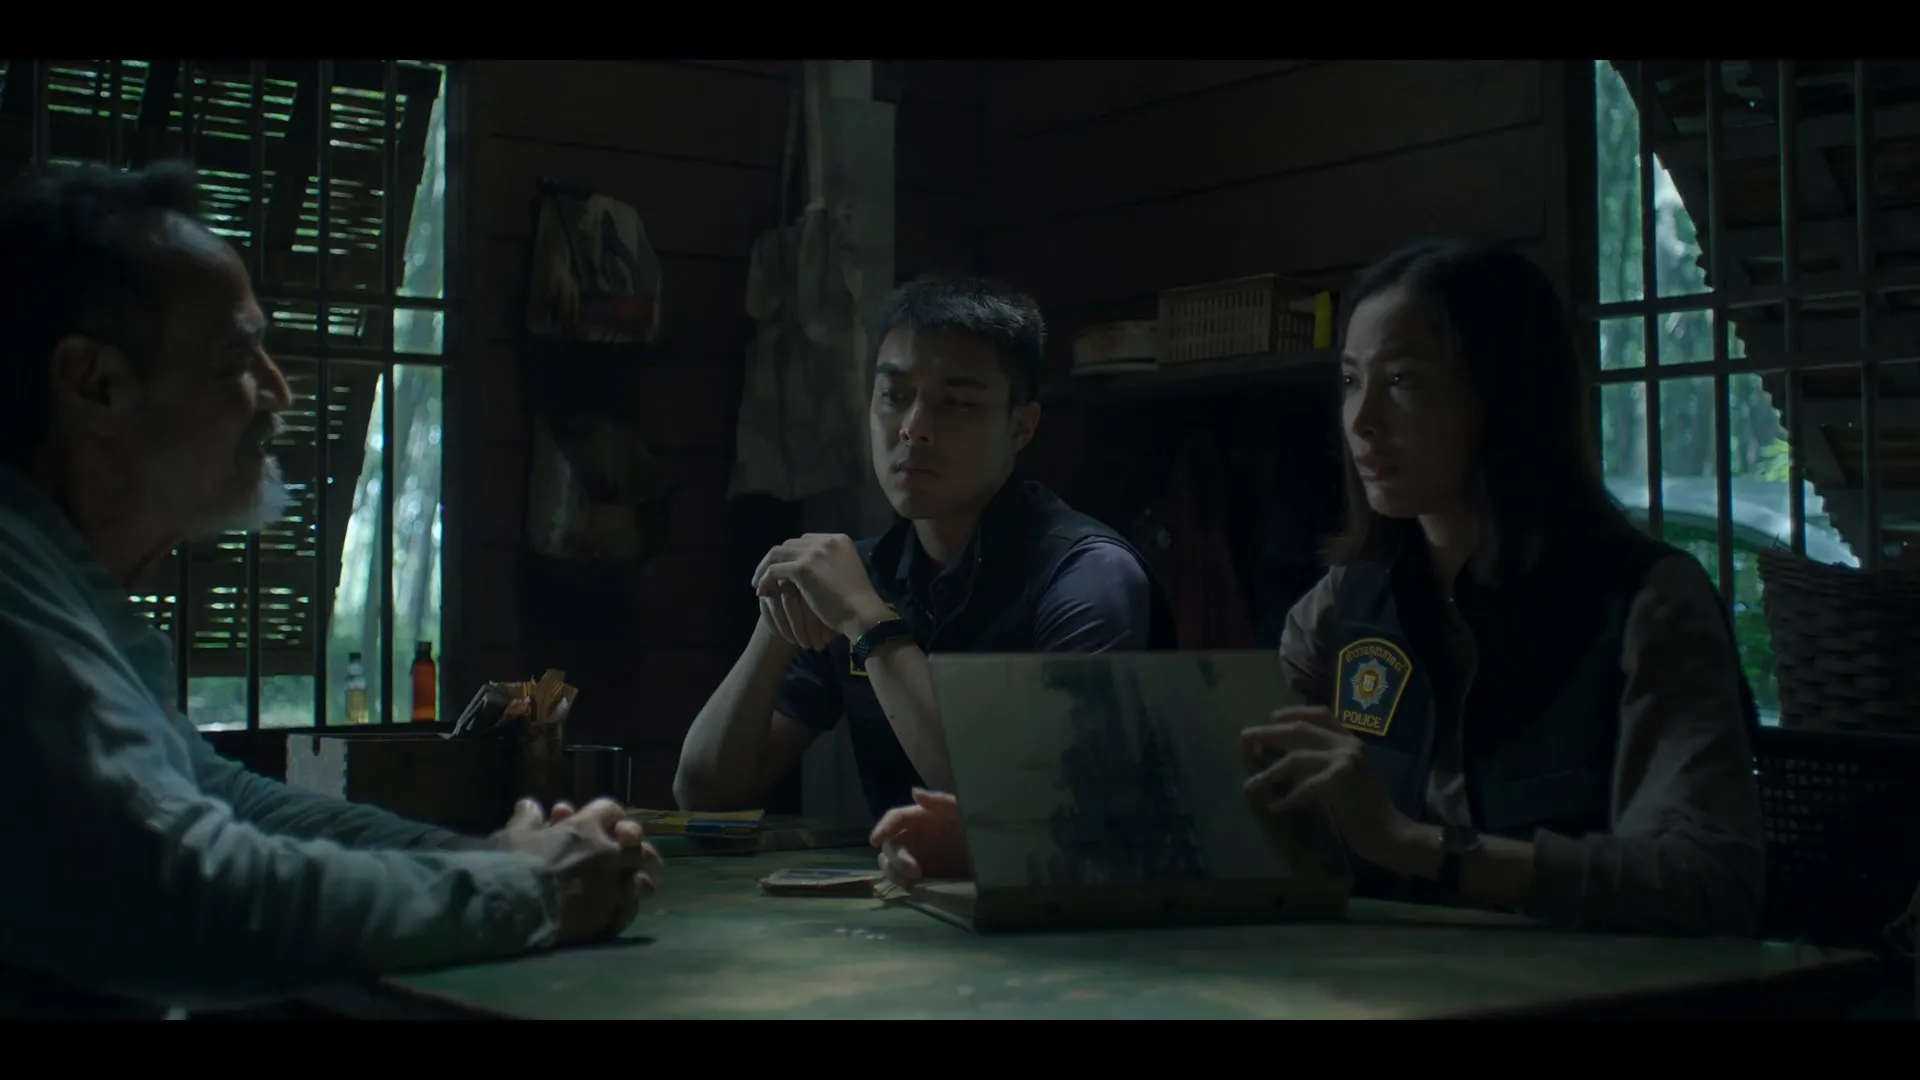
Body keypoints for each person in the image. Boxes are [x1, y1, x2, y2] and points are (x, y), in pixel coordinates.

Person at [872, 240, 1767, 939]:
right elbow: (1219, 811)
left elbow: (1710, 878)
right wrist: (1011, 842)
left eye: (1403, 383)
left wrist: (1415, 846)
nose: (1360, 420)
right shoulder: (1348, 601)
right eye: (1349, 382)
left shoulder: (1644, 603)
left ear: (1506, 397)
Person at [0, 161, 661, 1020]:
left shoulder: (64, 589)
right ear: (97, 386)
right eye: (237, 358)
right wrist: (528, 889)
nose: (277, 390)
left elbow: (218, 795)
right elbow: (175, 888)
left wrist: (489, 860)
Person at [675, 275, 1177, 822]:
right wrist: (778, 621)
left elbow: (1022, 811)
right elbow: (704, 793)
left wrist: (869, 623)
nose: (913, 429)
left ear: (1021, 427)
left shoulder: (1089, 578)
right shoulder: (865, 574)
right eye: (894, 396)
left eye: (956, 402)